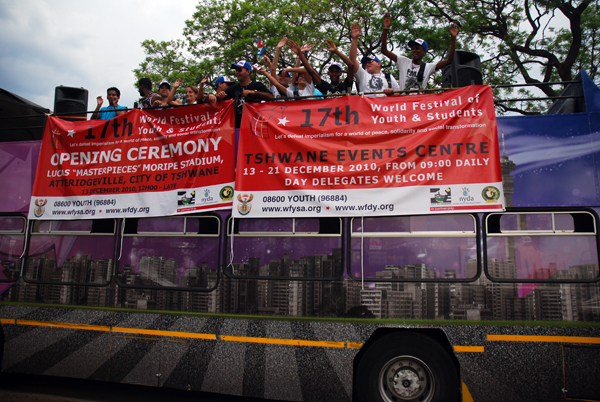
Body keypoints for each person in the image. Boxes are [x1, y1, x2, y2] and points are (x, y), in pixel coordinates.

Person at [381, 12, 458, 91]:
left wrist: (453, 38)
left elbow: (449, 60)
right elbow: (384, 51)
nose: (414, 50)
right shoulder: (403, 61)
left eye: (417, 48)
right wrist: (386, 29)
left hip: (419, 102)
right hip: (404, 101)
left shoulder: (428, 67)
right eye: (413, 48)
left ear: (424, 51)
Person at [217, 60, 274, 127]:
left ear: (248, 72)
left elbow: (271, 96)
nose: (237, 72)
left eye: (239, 70)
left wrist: (253, 92)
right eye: (236, 70)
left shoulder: (257, 85)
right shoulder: (233, 88)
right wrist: (219, 96)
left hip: (254, 124)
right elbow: (220, 101)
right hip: (237, 125)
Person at [349, 22, 400, 97]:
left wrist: (391, 93)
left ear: (378, 64)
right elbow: (352, 60)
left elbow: (399, 93)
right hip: (367, 108)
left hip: (383, 107)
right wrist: (355, 39)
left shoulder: (388, 76)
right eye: (366, 63)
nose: (367, 64)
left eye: (370, 61)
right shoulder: (363, 75)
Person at [289, 39, 354, 95]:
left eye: (337, 72)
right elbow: (311, 71)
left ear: (341, 73)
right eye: (332, 71)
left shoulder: (345, 84)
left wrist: (336, 51)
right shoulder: (324, 85)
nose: (334, 74)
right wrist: (300, 54)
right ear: (328, 73)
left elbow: (351, 66)